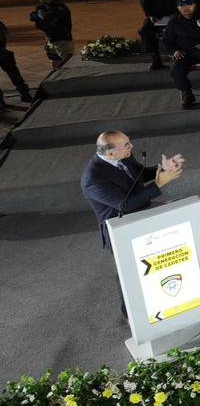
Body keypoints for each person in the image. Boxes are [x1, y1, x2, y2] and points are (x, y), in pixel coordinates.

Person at [80, 131, 184, 316]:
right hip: (121, 229)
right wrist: (158, 184)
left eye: (129, 142)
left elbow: (139, 174)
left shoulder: (124, 156)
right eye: (127, 145)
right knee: (130, 273)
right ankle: (131, 315)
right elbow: (124, 205)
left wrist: (162, 168)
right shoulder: (93, 179)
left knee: (152, 264)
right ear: (110, 154)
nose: (131, 147)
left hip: (143, 216)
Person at [138, 0, 186, 70]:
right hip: (157, 17)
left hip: (176, 15)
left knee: (185, 28)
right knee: (145, 30)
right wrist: (150, 15)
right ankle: (156, 60)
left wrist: (181, 13)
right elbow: (144, 2)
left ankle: (185, 58)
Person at [29, 0, 73, 67]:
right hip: (51, 41)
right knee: (55, 65)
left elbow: (48, 18)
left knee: (67, 65)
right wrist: (40, 15)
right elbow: (32, 16)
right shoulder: (44, 7)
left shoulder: (60, 8)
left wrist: (40, 16)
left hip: (62, 42)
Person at [0, 18, 32, 106]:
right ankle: (25, 94)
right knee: (15, 75)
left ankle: (1, 101)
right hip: (3, 53)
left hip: (3, 54)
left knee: (14, 74)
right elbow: (4, 34)